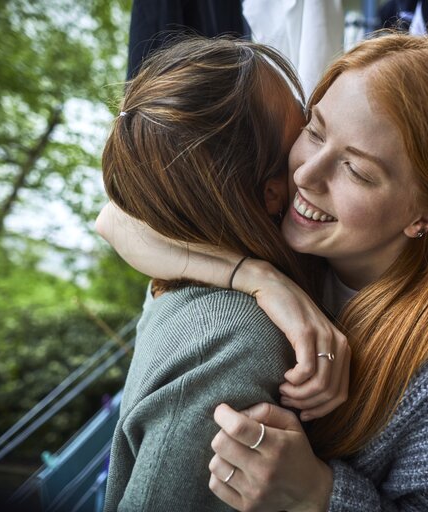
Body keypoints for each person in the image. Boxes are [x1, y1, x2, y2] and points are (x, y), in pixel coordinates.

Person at [98, 33, 428, 510]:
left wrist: (319, 494)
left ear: (426, 215)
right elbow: (116, 218)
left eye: (357, 171)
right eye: (315, 130)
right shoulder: (282, 229)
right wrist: (259, 278)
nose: (305, 174)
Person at [99, 36, 349, 512]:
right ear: (274, 194)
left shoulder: (174, 261)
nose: (311, 121)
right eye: (303, 121)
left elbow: (111, 217)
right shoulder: (234, 343)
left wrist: (251, 274)